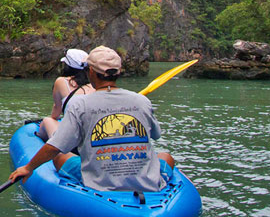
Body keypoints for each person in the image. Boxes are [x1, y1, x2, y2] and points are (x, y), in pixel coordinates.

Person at [10, 46, 175, 192]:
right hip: (145, 180)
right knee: (165, 157)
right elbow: (155, 135)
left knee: (61, 157)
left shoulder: (80, 105)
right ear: (118, 72)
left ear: (90, 72)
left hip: (100, 180)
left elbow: (55, 147)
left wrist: (28, 167)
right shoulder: (142, 101)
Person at [36, 49, 95, 141]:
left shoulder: (61, 81)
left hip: (72, 139)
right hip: (93, 134)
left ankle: (41, 140)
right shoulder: (95, 84)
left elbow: (56, 113)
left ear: (68, 66)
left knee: (47, 121)